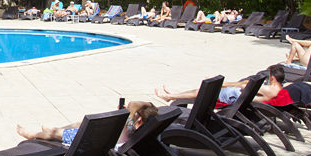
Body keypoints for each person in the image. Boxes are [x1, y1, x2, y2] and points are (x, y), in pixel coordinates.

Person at [16, 101, 159, 148]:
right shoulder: (137, 130)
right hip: (100, 141)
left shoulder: (125, 129)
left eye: (127, 110)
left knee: (54, 134)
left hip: (88, 144)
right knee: (80, 123)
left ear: (138, 119)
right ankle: (53, 129)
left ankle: (32, 134)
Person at [156, 64, 288, 105]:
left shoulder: (269, 90)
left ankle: (171, 96)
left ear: (273, 78)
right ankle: (172, 95)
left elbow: (243, 85)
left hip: (233, 98)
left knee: (202, 91)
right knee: (201, 89)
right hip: (239, 97)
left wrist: (223, 84)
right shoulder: (280, 90)